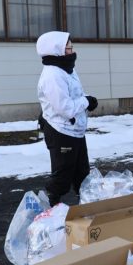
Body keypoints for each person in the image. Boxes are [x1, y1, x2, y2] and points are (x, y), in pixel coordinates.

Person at [36, 31, 98, 206]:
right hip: (60, 130)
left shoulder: (67, 69)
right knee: (63, 174)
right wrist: (86, 102)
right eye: (68, 48)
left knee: (82, 173)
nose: (72, 52)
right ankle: (50, 202)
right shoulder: (52, 75)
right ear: (56, 50)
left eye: (71, 48)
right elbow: (65, 108)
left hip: (75, 130)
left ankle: (85, 205)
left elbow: (76, 93)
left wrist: (86, 99)